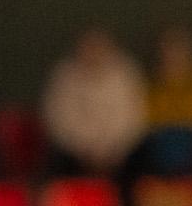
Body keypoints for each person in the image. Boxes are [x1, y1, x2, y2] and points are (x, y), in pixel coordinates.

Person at [40, 27, 149, 177]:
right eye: (88, 47)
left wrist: (112, 149)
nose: (93, 52)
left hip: (117, 154)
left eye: (99, 47)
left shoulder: (125, 74)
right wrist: (84, 149)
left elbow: (133, 118)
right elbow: (59, 120)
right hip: (76, 155)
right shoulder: (64, 77)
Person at [140, 25, 192, 179]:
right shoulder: (152, 82)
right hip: (160, 142)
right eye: (168, 50)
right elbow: (150, 116)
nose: (173, 55)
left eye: (179, 49)